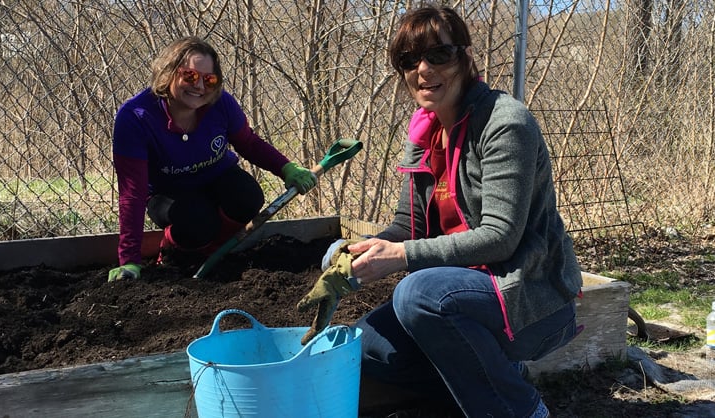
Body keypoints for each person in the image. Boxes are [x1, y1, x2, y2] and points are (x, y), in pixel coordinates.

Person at [298, 5, 582, 417]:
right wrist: (362, 248)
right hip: (465, 294)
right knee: (368, 346)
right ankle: (490, 379)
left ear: (465, 57)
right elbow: (405, 226)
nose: (424, 70)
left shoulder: (505, 124)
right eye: (409, 61)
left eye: (439, 55)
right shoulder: (425, 130)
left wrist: (401, 257)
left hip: (529, 295)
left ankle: (521, 409)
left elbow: (501, 238)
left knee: (416, 294)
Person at [108, 36, 316, 282]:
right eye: (190, 76)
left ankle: (211, 251)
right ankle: (172, 246)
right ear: (169, 73)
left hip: (216, 177)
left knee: (247, 197)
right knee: (197, 221)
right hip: (168, 192)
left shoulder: (221, 104)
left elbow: (248, 143)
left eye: (209, 80)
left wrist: (287, 168)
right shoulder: (135, 117)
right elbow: (132, 193)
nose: (199, 86)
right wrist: (130, 259)